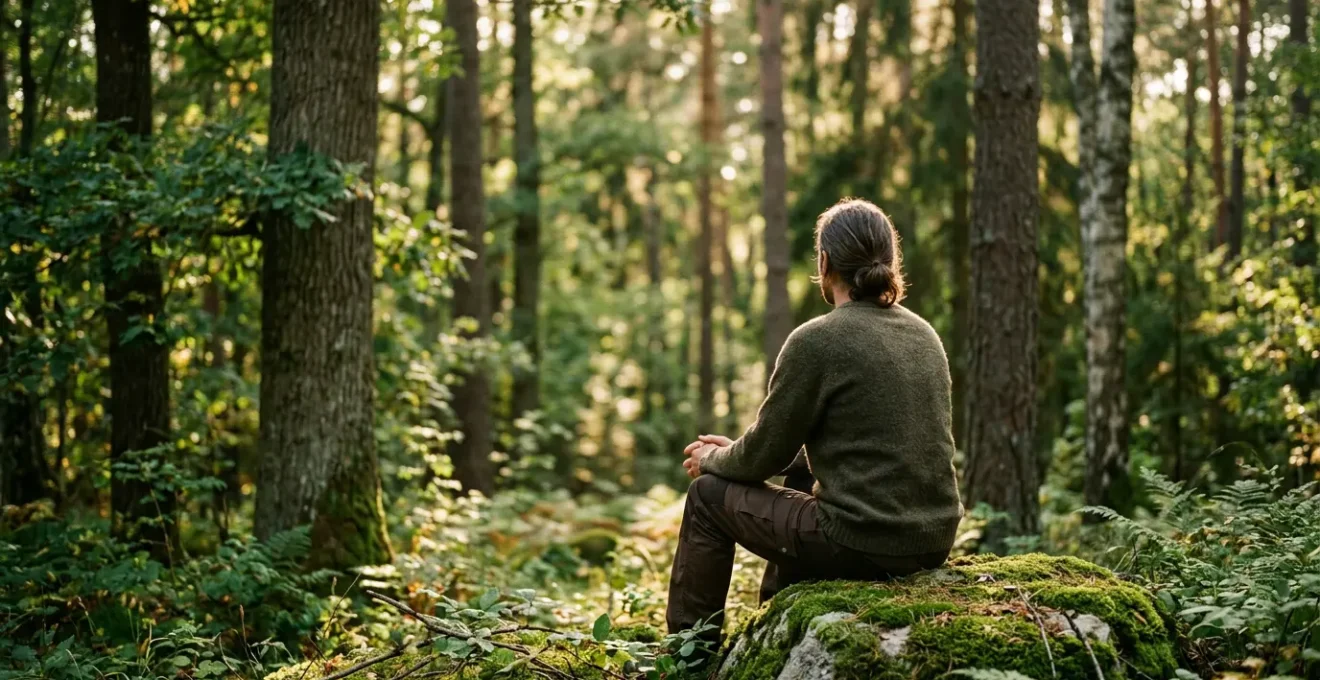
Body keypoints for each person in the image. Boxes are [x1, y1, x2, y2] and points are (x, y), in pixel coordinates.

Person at [666, 198, 964, 640]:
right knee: (803, 478)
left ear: (824, 262)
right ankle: (774, 627)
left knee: (707, 498)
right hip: (932, 542)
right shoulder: (924, 335)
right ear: (889, 262)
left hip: (862, 543)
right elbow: (857, 445)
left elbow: (758, 460)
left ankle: (687, 657)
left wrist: (715, 459)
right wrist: (736, 451)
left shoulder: (818, 339)